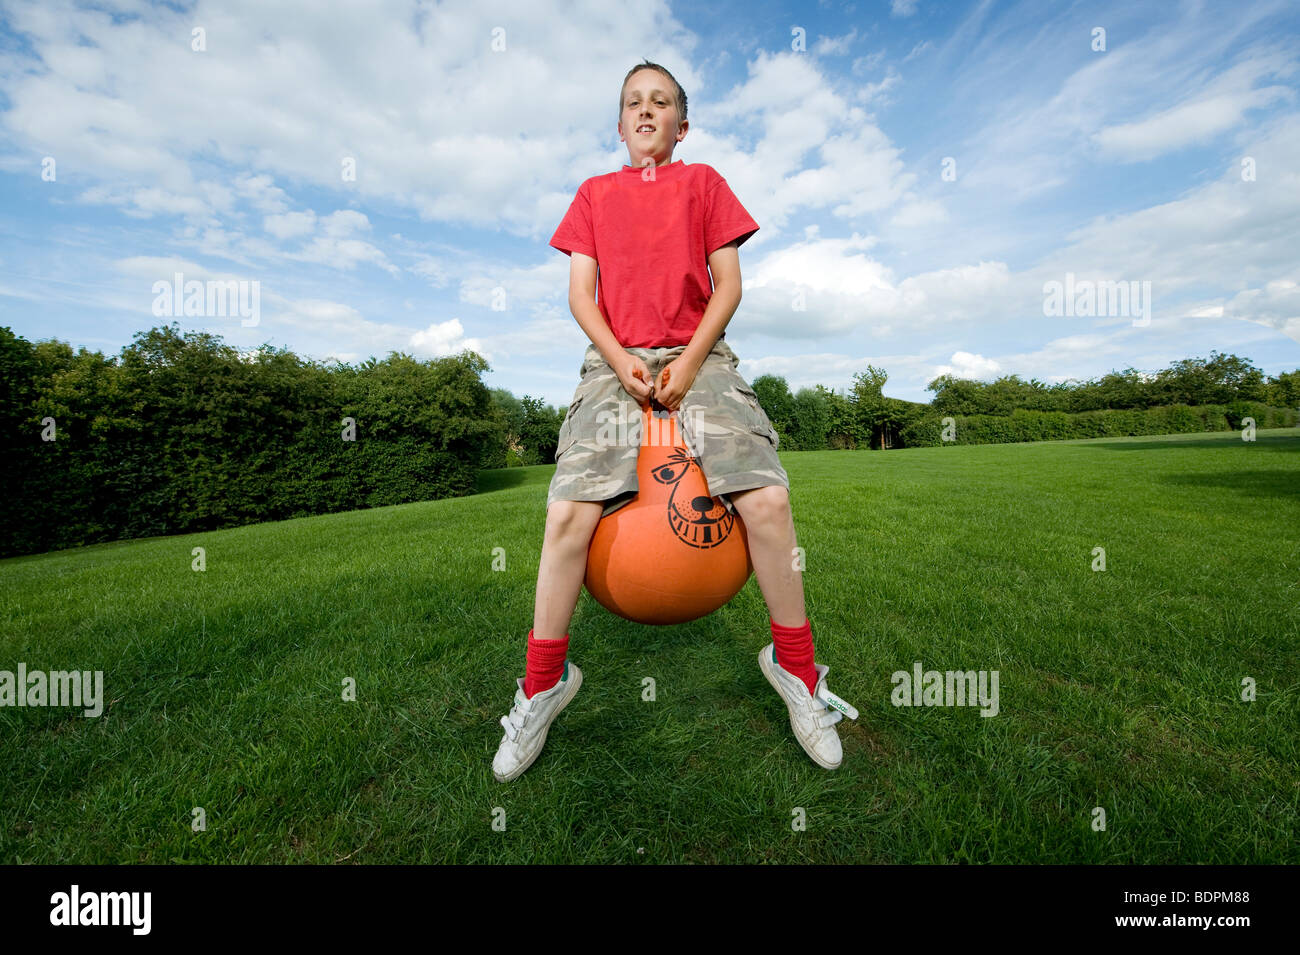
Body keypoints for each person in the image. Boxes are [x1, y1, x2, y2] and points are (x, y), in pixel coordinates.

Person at [493, 60, 858, 783]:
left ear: (681, 124)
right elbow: (580, 294)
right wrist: (618, 358)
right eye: (632, 102)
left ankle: (797, 671)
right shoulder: (594, 194)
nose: (645, 110)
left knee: (768, 497)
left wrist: (688, 363)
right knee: (567, 511)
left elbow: (730, 284)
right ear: (620, 123)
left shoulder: (705, 184)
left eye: (660, 102)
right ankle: (543, 685)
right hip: (612, 362)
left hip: (702, 356)